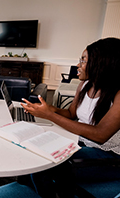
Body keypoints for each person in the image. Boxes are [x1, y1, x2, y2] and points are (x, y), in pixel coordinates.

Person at [21, 37, 120, 198]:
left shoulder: (117, 94)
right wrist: (46, 108)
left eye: (83, 60)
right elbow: (71, 114)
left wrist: (50, 115)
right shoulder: (84, 85)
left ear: (102, 63)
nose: (78, 65)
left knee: (42, 165)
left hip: (110, 158)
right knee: (34, 150)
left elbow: (100, 135)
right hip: (80, 143)